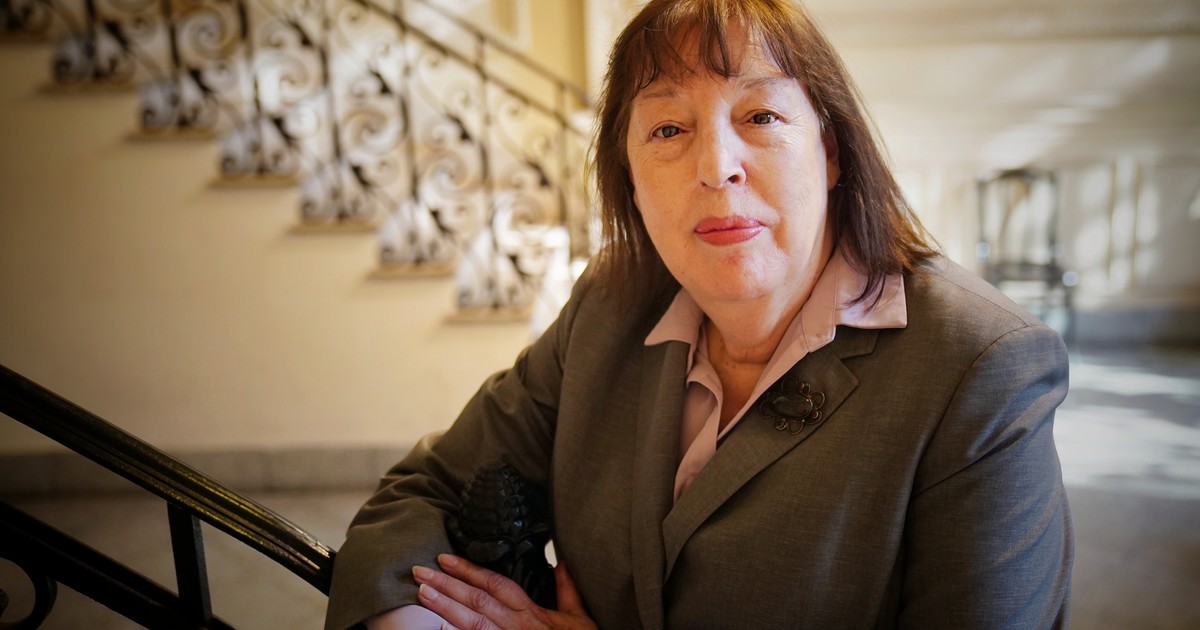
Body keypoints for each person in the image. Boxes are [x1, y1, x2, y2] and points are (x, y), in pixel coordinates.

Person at [325, 0, 1074, 628]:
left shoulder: (981, 366)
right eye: (667, 130)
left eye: (761, 115)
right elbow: (426, 492)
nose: (716, 166)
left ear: (832, 151)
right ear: (629, 178)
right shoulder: (608, 304)